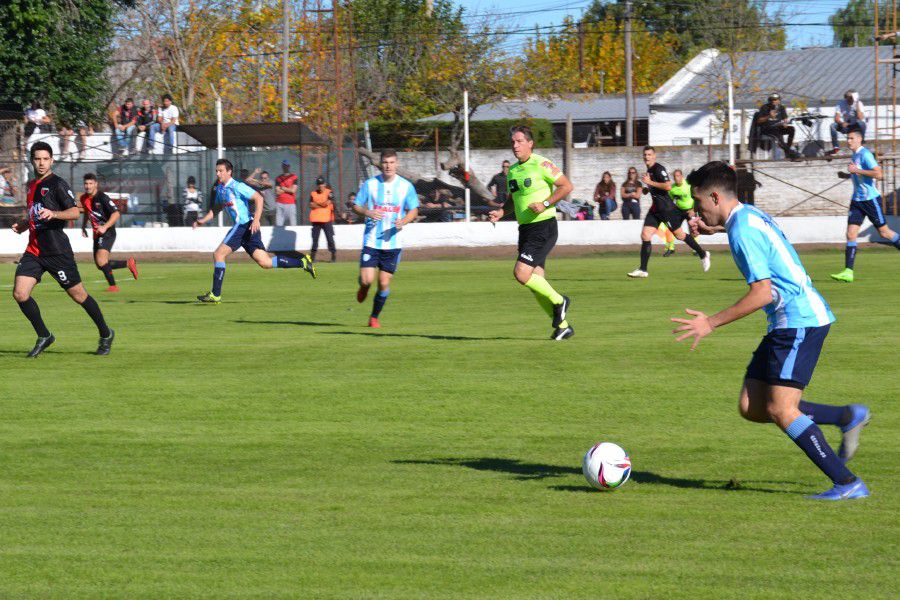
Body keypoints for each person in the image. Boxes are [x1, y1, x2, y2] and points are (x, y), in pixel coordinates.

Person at [672, 161, 870, 501]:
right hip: (786, 320)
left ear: (715, 196)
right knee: (753, 406)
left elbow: (761, 293)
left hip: (798, 320)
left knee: (781, 409)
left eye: (698, 201)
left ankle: (847, 482)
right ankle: (846, 415)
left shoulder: (742, 230)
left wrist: (710, 323)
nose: (696, 208)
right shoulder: (747, 215)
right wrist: (713, 229)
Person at [10, 141, 115, 356]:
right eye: (37, 158)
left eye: (45, 159)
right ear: (32, 160)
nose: (41, 162)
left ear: (52, 160)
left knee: (78, 295)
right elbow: (35, 212)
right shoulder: (31, 185)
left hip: (57, 252)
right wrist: (23, 224)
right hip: (34, 251)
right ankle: (44, 335)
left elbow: (75, 212)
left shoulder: (57, 183)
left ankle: (106, 333)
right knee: (20, 293)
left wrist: (54, 214)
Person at [488, 125, 574, 341]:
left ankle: (560, 301)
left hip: (543, 226)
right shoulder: (514, 171)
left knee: (521, 273)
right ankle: (563, 326)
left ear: (530, 143)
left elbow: (566, 186)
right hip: (525, 229)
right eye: (513, 142)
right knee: (537, 282)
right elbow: (512, 200)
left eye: (519, 141)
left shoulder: (542, 164)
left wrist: (545, 203)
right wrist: (501, 211)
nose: (515, 145)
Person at [193, 159, 316, 303]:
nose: (218, 173)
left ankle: (215, 294)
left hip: (244, 225)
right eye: (216, 171)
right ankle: (302, 262)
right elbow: (217, 208)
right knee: (265, 262)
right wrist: (203, 220)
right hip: (247, 228)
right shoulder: (221, 188)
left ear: (229, 172)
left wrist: (257, 219)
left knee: (219, 254)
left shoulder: (237, 186)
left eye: (220, 171)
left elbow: (258, 198)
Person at [352, 149, 419, 328]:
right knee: (367, 280)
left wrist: (404, 220)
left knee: (383, 282)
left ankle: (374, 317)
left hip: (393, 243)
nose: (388, 166)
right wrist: (367, 212)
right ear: (380, 164)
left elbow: (414, 209)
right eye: (385, 162)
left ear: (396, 164)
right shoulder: (370, 184)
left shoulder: (406, 186)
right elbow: (356, 206)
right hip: (372, 240)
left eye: (391, 162)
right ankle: (364, 287)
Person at [627, 146, 710, 278]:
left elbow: (668, 186)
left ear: (654, 156)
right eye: (645, 155)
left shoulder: (659, 169)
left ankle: (703, 254)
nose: (646, 157)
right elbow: (656, 187)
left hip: (666, 210)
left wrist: (650, 183)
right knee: (645, 235)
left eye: (649, 155)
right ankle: (643, 269)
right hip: (655, 210)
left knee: (680, 236)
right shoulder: (649, 170)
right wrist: (647, 189)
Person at [830, 130, 900, 282]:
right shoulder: (855, 155)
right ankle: (848, 272)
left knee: (885, 233)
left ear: (859, 140)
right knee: (850, 234)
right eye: (847, 138)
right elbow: (860, 174)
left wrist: (856, 170)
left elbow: (879, 174)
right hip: (857, 200)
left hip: (870, 200)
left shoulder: (865, 154)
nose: (848, 141)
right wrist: (848, 175)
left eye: (851, 138)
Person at [80, 173, 138, 292]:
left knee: (101, 261)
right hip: (97, 234)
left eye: (91, 183)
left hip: (108, 232)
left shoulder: (103, 198)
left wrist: (105, 227)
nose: (88, 186)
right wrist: (83, 226)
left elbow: (116, 213)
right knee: (100, 265)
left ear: (96, 184)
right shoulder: (83, 198)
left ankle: (113, 286)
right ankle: (128, 263)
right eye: (86, 183)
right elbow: (87, 212)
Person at [661, 169, 694, 257]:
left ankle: (695, 250)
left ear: (682, 176)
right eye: (675, 176)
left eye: (678, 176)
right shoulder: (672, 189)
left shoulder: (688, 185)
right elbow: (670, 201)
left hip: (690, 210)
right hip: (679, 210)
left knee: (693, 230)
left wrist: (693, 209)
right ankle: (671, 248)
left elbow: (695, 196)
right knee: (671, 228)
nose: (676, 178)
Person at [755, 93, 798, 159]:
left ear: (779, 100)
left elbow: (784, 118)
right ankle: (790, 153)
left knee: (791, 129)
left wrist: (785, 123)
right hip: (767, 128)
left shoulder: (781, 107)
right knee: (777, 134)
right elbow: (759, 121)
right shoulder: (764, 107)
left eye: (776, 100)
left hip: (778, 127)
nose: (774, 101)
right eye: (772, 100)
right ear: (769, 101)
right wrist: (769, 116)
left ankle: (787, 150)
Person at [827, 90, 866, 156]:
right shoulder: (841, 103)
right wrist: (841, 123)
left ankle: (861, 143)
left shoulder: (859, 103)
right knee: (832, 125)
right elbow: (836, 118)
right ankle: (836, 147)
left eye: (851, 97)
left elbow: (860, 118)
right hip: (845, 126)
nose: (849, 99)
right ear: (845, 98)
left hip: (855, 126)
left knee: (862, 123)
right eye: (848, 97)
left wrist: (857, 105)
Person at [308, 176, 337, 262]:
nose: (320, 186)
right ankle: (313, 257)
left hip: (327, 219)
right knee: (315, 239)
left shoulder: (329, 192)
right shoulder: (313, 193)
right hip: (316, 220)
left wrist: (316, 204)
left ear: (325, 184)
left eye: (322, 184)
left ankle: (333, 255)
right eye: (319, 184)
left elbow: (328, 203)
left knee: (330, 239)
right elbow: (311, 205)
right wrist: (322, 204)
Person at [274, 160, 298, 226]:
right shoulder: (278, 178)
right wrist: (289, 189)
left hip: (291, 203)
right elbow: (277, 192)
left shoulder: (294, 177)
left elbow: (293, 190)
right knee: (279, 224)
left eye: (287, 166)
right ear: (282, 166)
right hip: (280, 203)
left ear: (289, 166)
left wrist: (283, 188)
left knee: (293, 224)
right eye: (284, 165)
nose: (285, 167)